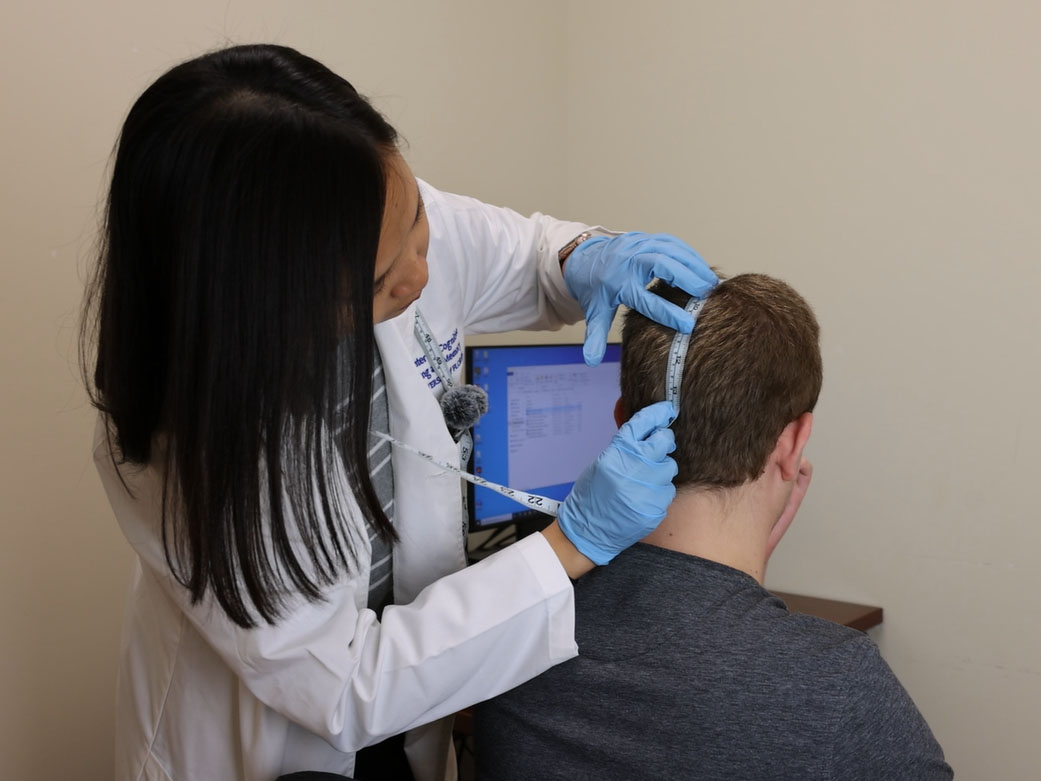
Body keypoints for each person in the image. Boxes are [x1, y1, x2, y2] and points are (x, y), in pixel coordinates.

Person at [81, 44, 718, 781]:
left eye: (417, 219)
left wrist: (584, 254)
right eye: (382, 278)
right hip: (275, 745)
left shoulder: (368, 207)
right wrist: (570, 543)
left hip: (413, 729)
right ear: (266, 299)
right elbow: (345, 683)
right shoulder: (189, 449)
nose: (422, 271)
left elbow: (522, 253)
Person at [474, 275, 954, 780]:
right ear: (793, 444)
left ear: (623, 423)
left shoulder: (503, 634)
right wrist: (740, 592)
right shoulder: (838, 681)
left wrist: (739, 588)